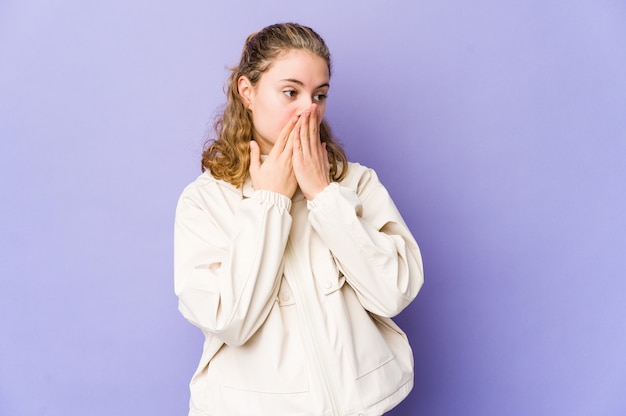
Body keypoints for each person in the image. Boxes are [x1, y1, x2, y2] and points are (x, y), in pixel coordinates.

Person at [174, 22, 424, 416]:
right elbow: (230, 320)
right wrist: (270, 202)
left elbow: (393, 293)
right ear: (248, 91)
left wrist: (324, 196)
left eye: (319, 94)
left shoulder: (355, 182)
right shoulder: (205, 201)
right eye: (290, 91)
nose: (310, 108)